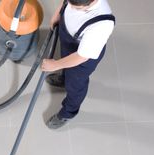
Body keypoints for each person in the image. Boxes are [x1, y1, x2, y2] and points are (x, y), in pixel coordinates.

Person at [41, 0, 115, 129]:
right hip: (70, 40)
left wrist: (56, 65)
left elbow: (81, 56)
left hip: (81, 59)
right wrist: (59, 12)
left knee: (75, 86)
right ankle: (64, 78)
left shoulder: (102, 25)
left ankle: (68, 112)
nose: (72, 9)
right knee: (66, 63)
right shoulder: (73, 3)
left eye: (76, 8)